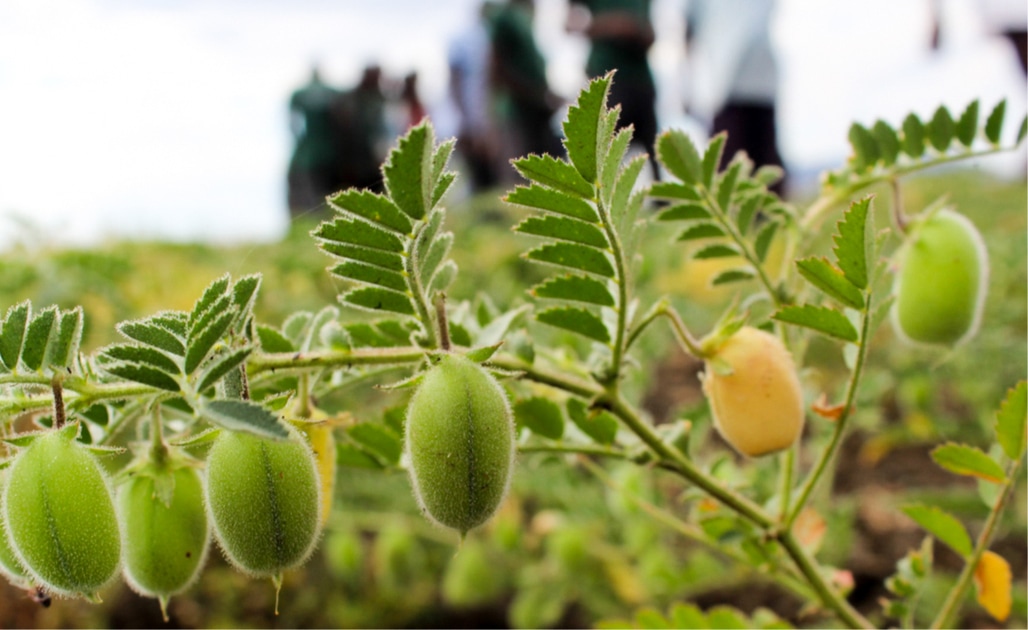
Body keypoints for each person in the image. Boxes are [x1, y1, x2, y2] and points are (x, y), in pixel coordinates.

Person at [685, 0, 786, 196]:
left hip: (761, 77)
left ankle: (775, 221)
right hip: (724, 85)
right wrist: (686, 86)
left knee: (766, 168)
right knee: (729, 167)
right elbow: (688, 31)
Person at [567, 0, 659, 180]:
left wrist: (633, 31)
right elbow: (570, 23)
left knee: (654, 155)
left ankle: (662, 203)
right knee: (601, 157)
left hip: (641, 83)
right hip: (606, 84)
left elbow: (650, 34)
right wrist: (612, 26)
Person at [489, 0, 563, 179]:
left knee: (547, 178)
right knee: (522, 179)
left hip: (537, 114)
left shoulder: (526, 20)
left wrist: (547, 96)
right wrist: (538, 96)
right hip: (517, 114)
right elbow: (497, 72)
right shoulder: (505, 18)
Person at [448, 1, 501, 190]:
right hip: (474, 119)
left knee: (495, 174)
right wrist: (468, 122)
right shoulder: (469, 39)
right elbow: (454, 83)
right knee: (482, 176)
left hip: (487, 116)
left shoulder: (490, 37)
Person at [287, 64, 343, 217]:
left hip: (312, 154)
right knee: (328, 195)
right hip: (332, 152)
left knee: (316, 196)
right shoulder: (333, 93)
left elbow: (293, 125)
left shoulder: (300, 94)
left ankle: (319, 220)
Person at [331, 64, 388, 193]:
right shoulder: (350, 100)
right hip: (354, 162)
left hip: (374, 163)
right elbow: (344, 132)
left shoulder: (378, 98)